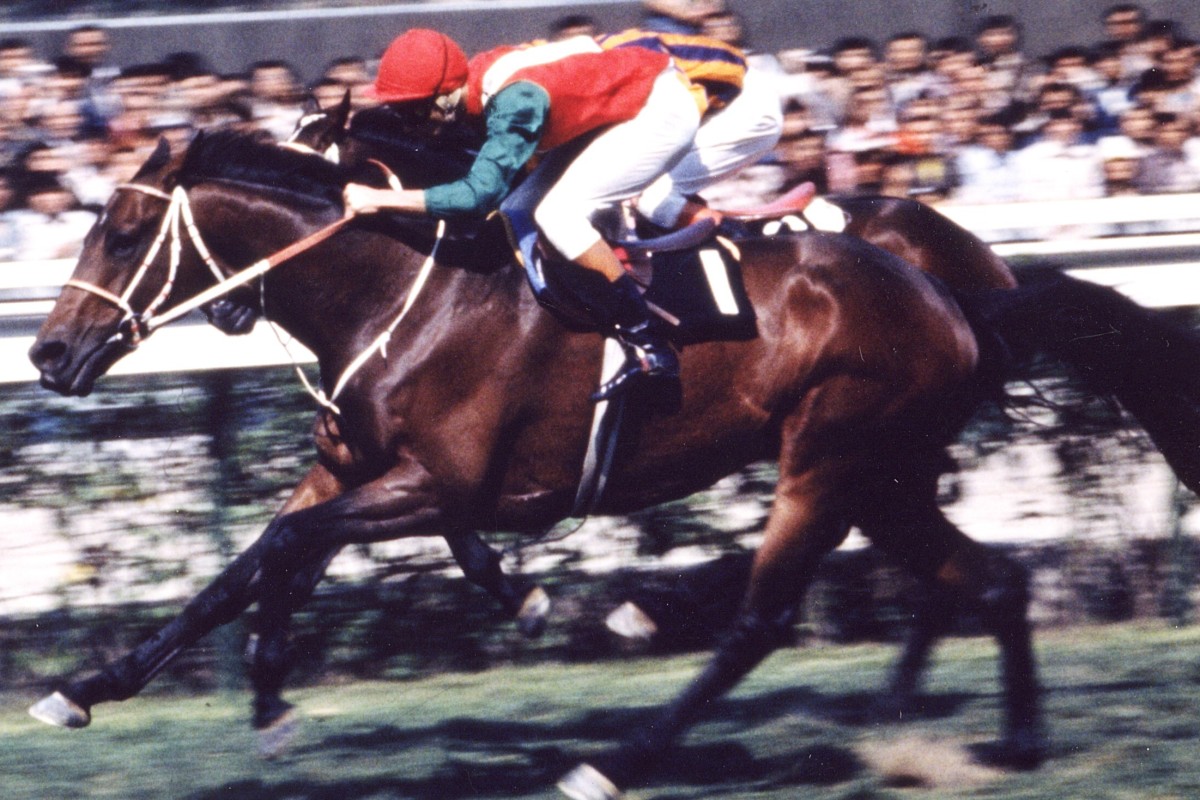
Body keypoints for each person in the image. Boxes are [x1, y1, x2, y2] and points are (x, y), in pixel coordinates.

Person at [342, 29, 701, 400]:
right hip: (619, 105)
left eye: (411, 109)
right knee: (518, 209)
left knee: (558, 215)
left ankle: (649, 344)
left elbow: (477, 195)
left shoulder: (516, 100)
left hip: (659, 109)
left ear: (445, 97)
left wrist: (381, 199)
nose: (407, 122)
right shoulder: (475, 89)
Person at [597, 25, 782, 229]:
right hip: (724, 100)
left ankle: (734, 240)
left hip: (741, 104)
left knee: (652, 197)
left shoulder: (614, 57)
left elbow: (681, 106)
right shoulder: (598, 53)